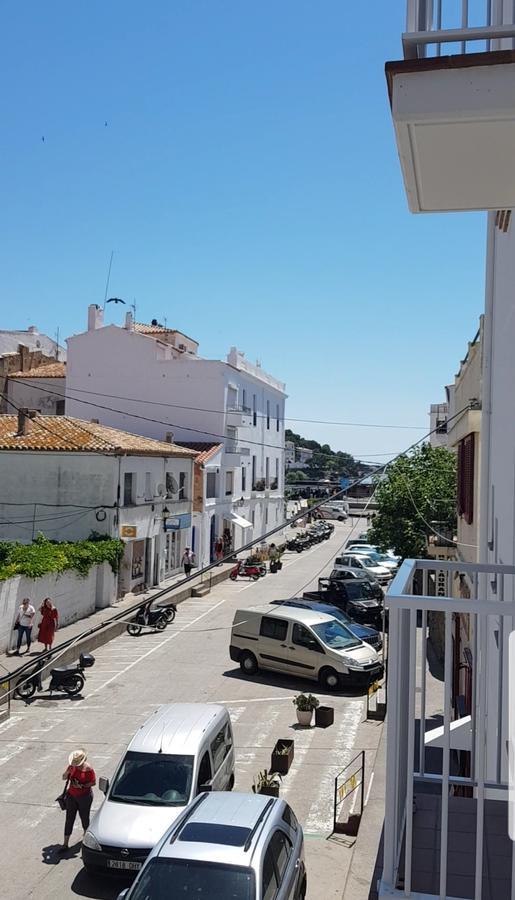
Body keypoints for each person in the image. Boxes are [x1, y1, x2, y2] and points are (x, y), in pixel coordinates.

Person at [60, 749, 96, 851]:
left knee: (84, 818)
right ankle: (65, 844)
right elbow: (63, 777)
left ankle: (86, 839)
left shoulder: (88, 769)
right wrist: (67, 772)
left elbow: (93, 783)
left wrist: (82, 785)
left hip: (84, 797)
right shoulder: (72, 767)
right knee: (69, 819)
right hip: (71, 796)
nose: (76, 765)